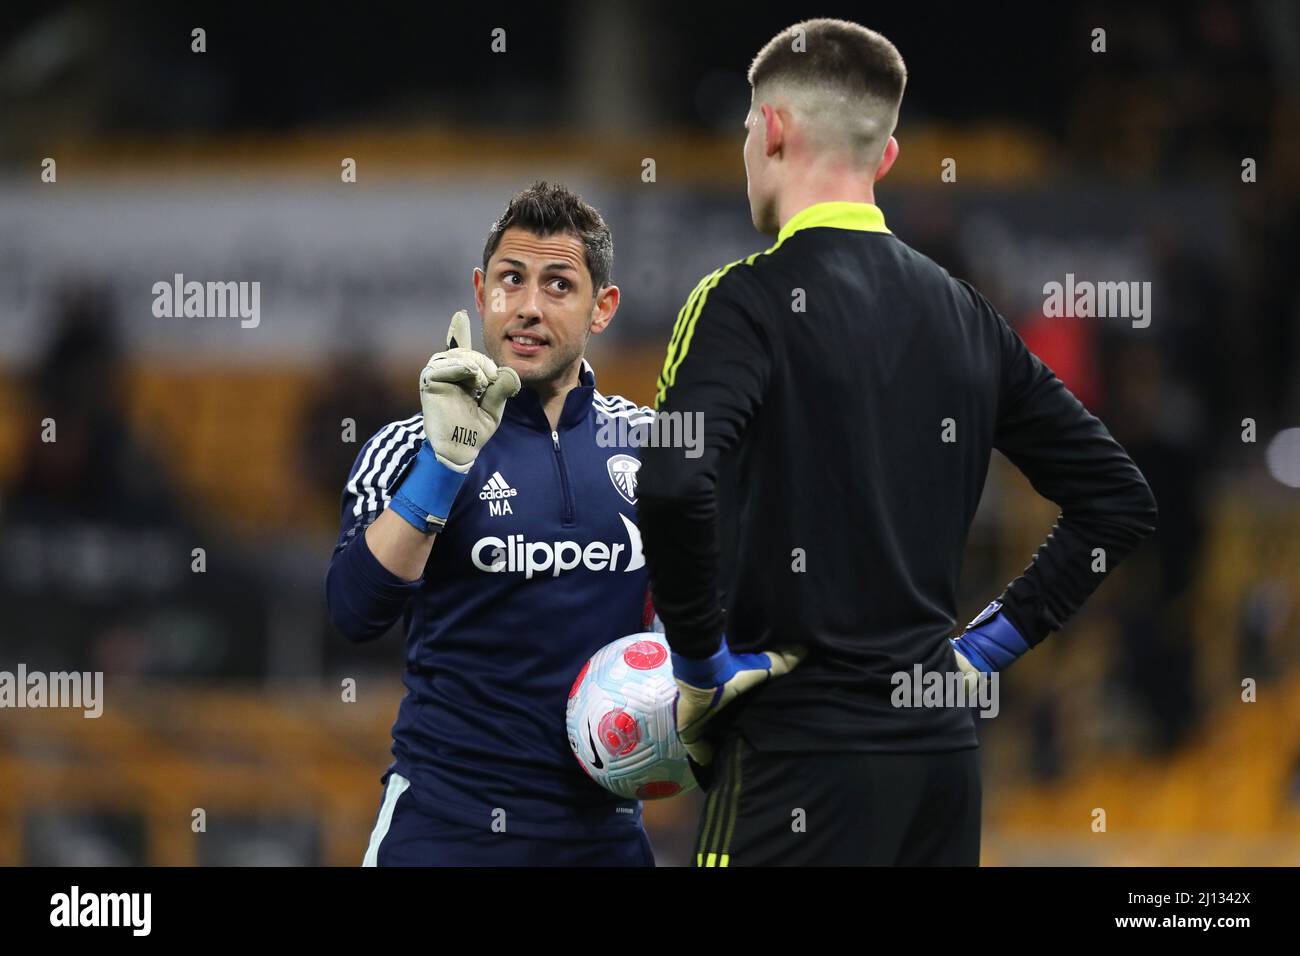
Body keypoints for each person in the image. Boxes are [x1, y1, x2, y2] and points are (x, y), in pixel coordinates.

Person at [636, 18, 1158, 866]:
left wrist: (698, 668)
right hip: (939, 768)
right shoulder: (966, 314)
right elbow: (1118, 500)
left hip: (797, 759)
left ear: (769, 128)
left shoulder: (741, 302)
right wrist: (982, 649)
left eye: (743, 131)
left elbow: (669, 483)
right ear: (883, 158)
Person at [326, 182, 658, 866]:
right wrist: (445, 466)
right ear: (481, 292)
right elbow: (354, 611)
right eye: (512, 280)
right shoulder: (408, 445)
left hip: (604, 837)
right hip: (446, 828)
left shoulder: (653, 449)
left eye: (559, 285)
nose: (528, 307)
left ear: (603, 309)